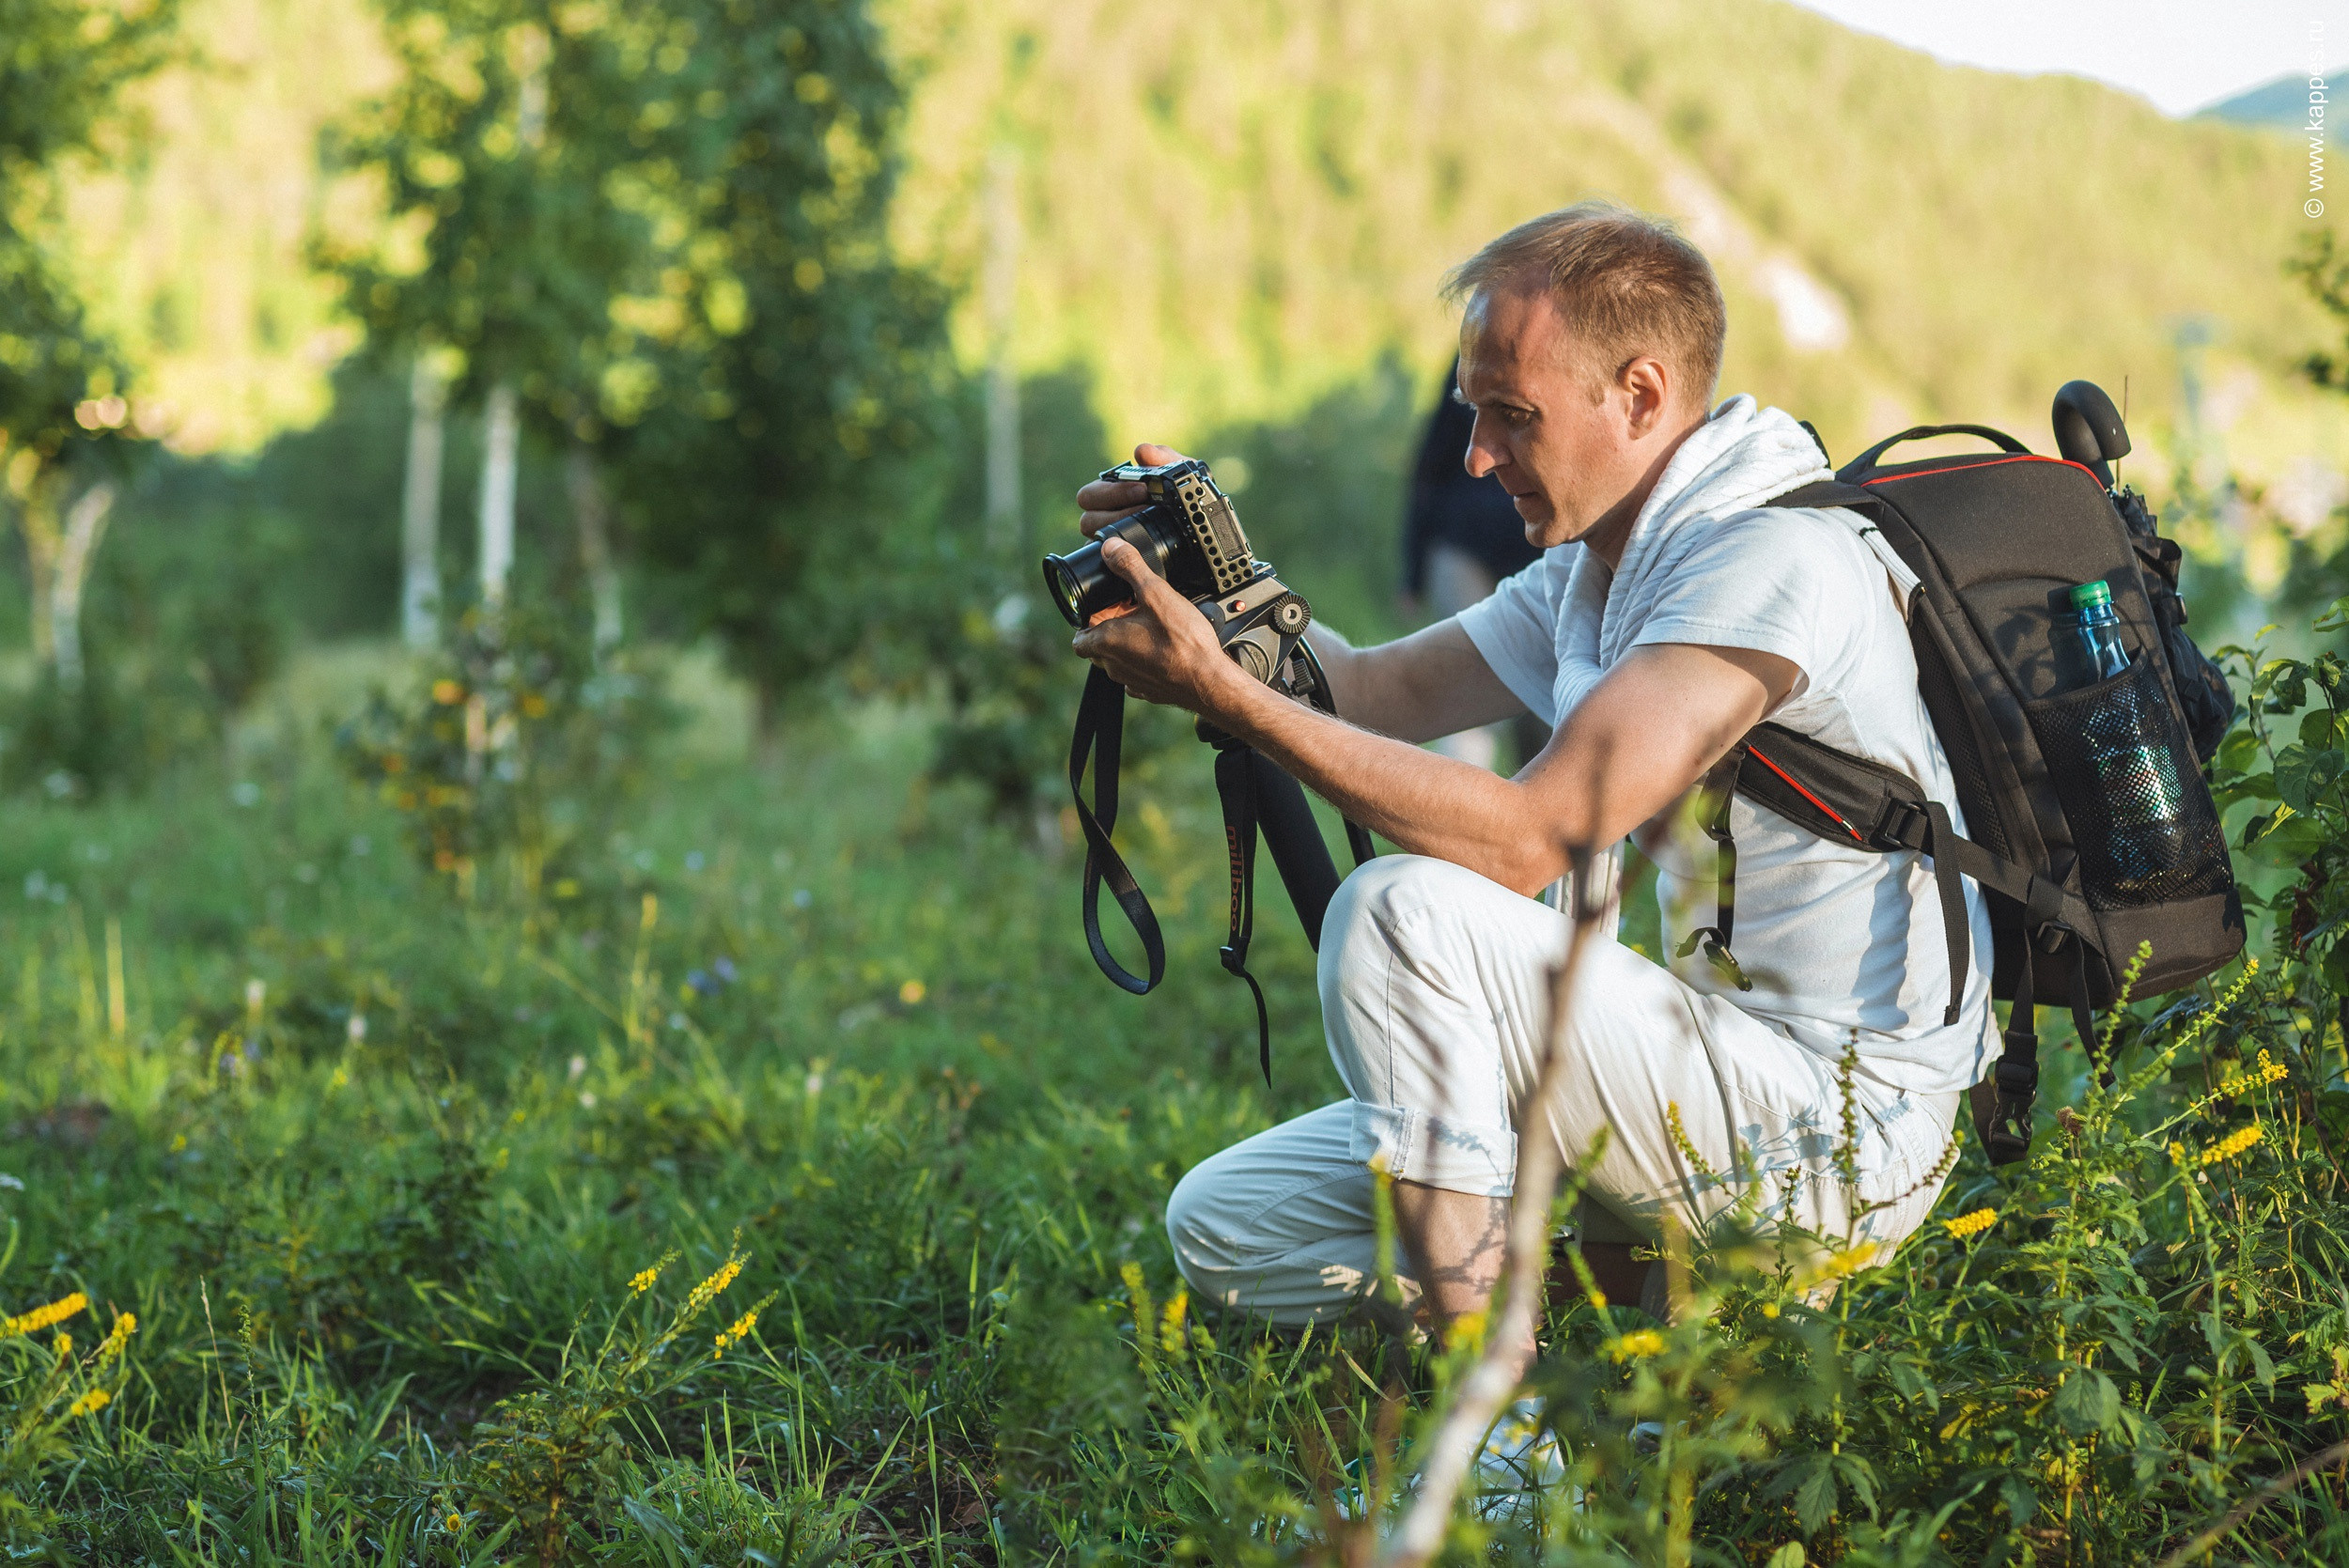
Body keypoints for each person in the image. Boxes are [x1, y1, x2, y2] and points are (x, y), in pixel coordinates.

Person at [1067, 202, 1986, 1378]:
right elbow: (1358, 690)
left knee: (1399, 913)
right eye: (1473, 413)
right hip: (1707, 1081)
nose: (1475, 458)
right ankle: (1605, 1349)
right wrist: (1220, 591)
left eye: (1512, 416)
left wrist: (1228, 697)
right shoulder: (1598, 574)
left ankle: (1491, 1449)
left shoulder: (1767, 563)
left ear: (1640, 396)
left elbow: (1526, 839)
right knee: (1230, 1228)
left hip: (1839, 1134)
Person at [1400, 356, 1547, 771]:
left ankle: (1533, 819)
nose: (1479, 454)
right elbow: (1433, 460)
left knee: (1543, 704)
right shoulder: (1476, 353)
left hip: (1542, 554)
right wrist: (1411, 572)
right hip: (1463, 546)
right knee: (1468, 692)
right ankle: (1449, 820)